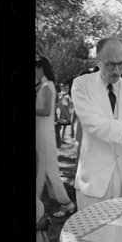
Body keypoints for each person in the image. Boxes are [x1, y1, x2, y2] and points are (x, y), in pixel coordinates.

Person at [71, 36, 122, 210]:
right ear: (98, 61)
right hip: (94, 178)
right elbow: (91, 123)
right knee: (89, 232)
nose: (116, 70)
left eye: (121, 64)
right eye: (110, 64)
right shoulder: (81, 84)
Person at [36, 56, 75, 217]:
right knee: (42, 171)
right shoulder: (46, 86)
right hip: (43, 132)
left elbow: (46, 111)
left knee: (50, 171)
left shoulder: (46, 86)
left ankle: (66, 203)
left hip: (45, 134)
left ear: (41, 69)